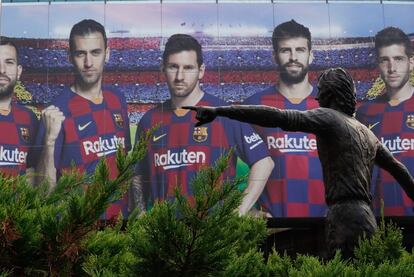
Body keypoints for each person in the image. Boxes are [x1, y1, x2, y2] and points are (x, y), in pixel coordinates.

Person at [184, 67, 414, 259]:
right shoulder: (366, 133)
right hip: (366, 217)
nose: (317, 97)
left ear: (331, 95)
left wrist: (220, 111)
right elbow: (400, 169)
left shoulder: (329, 117)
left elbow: (277, 116)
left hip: (343, 215)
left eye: (321, 92)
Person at [131, 34, 274, 215]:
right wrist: (140, 213)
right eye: (173, 67)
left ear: (201, 71)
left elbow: (264, 162)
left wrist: (239, 211)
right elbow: (138, 174)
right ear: (163, 68)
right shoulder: (148, 121)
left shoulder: (224, 114)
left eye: (188, 68)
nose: (179, 76)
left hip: (214, 234)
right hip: (165, 233)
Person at [35, 19, 131, 219]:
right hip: (77, 230)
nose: (88, 63)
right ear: (70, 56)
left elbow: (124, 161)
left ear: (108, 54)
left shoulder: (118, 99)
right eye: (81, 54)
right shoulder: (57, 110)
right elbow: (44, 193)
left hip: (120, 226)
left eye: (95, 52)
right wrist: (49, 142)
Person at [243, 20, 326, 217]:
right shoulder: (253, 106)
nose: (293, 57)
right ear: (275, 56)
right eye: (285, 50)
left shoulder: (331, 105)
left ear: (310, 55)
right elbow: (231, 167)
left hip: (325, 227)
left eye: (300, 50)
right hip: (271, 228)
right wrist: (248, 211)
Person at [356, 27, 414, 216]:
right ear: (378, 64)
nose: (392, 68)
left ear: (411, 62)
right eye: (384, 60)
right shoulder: (364, 112)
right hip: (378, 221)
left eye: (398, 59)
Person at [0, 38, 38, 180]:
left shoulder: (30, 118)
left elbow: (31, 170)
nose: (2, 69)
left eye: (9, 62)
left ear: (18, 71)